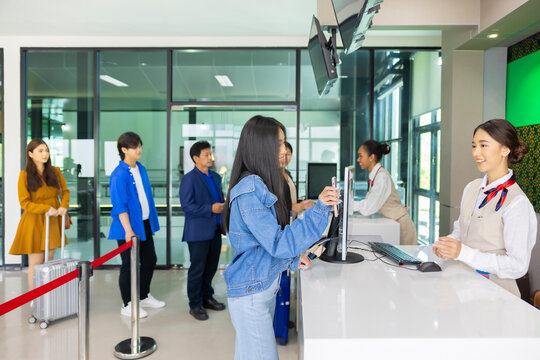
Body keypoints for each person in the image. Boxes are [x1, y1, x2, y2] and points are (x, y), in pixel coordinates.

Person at [223, 115, 339, 360]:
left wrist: (290, 261)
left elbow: (261, 246)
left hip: (256, 288)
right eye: (278, 144)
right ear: (260, 147)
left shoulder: (259, 183)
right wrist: (319, 210)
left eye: (284, 143)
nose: (284, 150)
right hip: (251, 294)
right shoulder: (252, 187)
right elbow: (277, 242)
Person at [433, 119, 536, 297]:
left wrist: (462, 253)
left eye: (483, 145)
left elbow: (518, 266)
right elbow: (462, 229)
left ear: (505, 149)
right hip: (463, 287)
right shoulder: (472, 188)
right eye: (474, 146)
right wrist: (448, 244)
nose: (476, 153)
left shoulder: (517, 202)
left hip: (497, 297)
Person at [108, 132, 165, 318]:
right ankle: (127, 304)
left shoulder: (141, 169)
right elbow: (119, 206)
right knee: (129, 265)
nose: (139, 150)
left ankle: (143, 296)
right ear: (124, 150)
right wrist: (128, 230)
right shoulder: (118, 175)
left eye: (139, 146)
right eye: (134, 147)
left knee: (150, 260)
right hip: (128, 228)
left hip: (145, 223)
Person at [10, 139, 69, 290]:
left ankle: (48, 297)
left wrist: (63, 206)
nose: (45, 154)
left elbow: (65, 191)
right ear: (30, 154)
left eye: (46, 151)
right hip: (34, 221)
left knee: (49, 262)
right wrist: (45, 209)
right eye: (40, 151)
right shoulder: (24, 175)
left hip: (53, 220)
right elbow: (24, 203)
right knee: (35, 263)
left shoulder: (55, 171)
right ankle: (35, 298)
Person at [179, 141, 226, 321]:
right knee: (197, 269)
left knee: (211, 268)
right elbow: (187, 206)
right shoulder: (189, 179)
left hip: (215, 229)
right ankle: (195, 304)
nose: (210, 157)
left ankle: (207, 297)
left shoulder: (215, 176)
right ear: (195, 158)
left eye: (210, 154)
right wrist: (210, 209)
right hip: (198, 232)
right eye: (206, 154)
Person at [353, 140, 417, 245]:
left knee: (406, 261)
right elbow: (371, 202)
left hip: (401, 226)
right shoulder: (376, 175)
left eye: (360, 156)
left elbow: (368, 207)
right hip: (394, 223)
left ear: (371, 157)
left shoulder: (382, 177)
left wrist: (348, 205)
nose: (358, 159)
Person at [280, 141, 315, 220]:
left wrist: (301, 204)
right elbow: (278, 204)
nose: (285, 157)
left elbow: (289, 198)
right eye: (282, 154)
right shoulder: (274, 176)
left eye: (288, 154)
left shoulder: (287, 174)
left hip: (291, 219)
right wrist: (298, 206)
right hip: (283, 221)